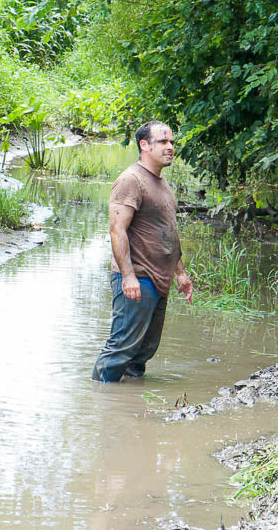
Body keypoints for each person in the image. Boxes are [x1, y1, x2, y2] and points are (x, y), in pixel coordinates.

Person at [92, 121, 194, 382]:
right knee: (121, 348)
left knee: (143, 351)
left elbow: (168, 233)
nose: (170, 147)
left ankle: (130, 401)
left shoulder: (162, 184)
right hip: (138, 278)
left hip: (159, 280)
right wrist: (127, 276)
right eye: (163, 142)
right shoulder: (131, 180)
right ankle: (101, 401)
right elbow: (117, 230)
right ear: (144, 145)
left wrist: (180, 275)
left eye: (172, 142)